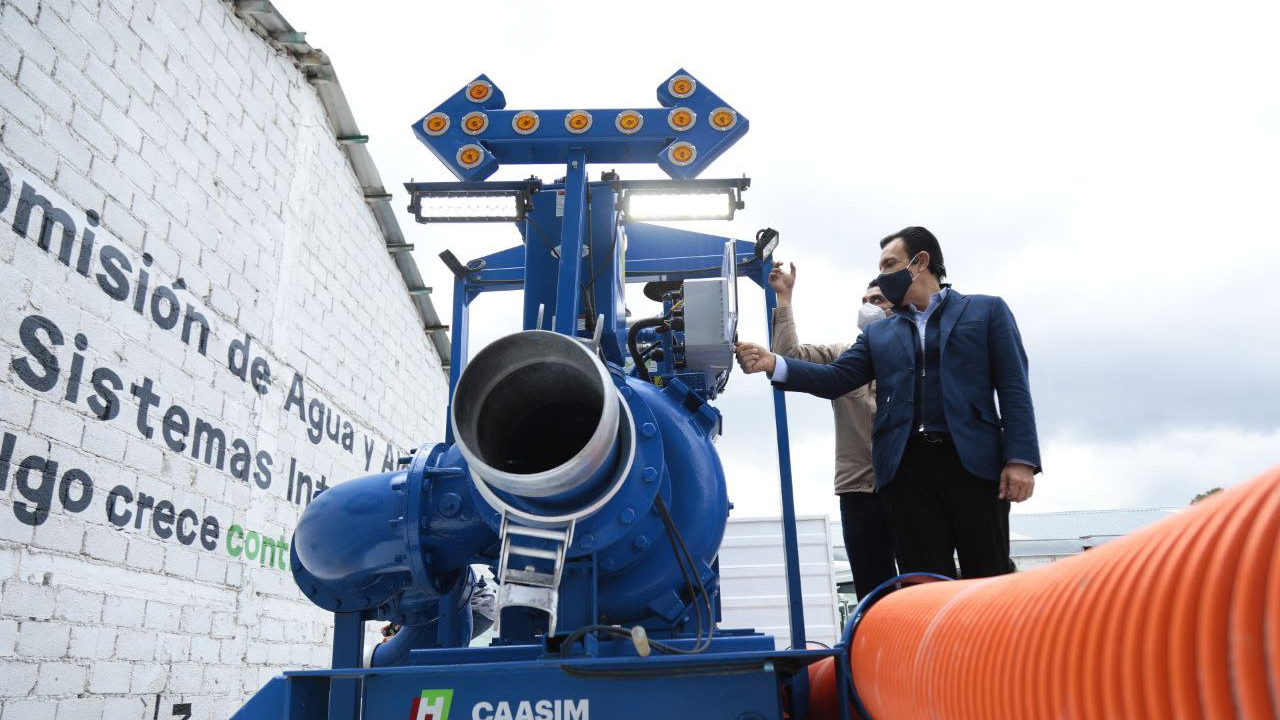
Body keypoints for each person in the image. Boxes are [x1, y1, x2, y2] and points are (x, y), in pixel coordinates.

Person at [737, 227, 1040, 579]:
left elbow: (1014, 387)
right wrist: (774, 363)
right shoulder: (879, 334)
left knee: (989, 576)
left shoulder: (987, 311)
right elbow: (836, 378)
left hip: (974, 467)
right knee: (924, 583)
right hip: (906, 473)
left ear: (920, 262)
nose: (883, 275)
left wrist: (1021, 460)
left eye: (890, 264)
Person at [768, 262, 897, 598]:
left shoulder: (914, 356)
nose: (869, 307)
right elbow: (788, 358)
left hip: (906, 485)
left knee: (918, 581)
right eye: (865, 299)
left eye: (879, 300)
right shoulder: (843, 357)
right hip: (858, 489)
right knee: (873, 588)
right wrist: (785, 298)